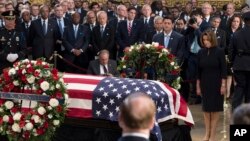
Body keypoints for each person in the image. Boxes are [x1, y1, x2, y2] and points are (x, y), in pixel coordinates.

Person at [196, 30, 227, 141]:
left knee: (214, 111)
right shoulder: (201, 52)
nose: (205, 42)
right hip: (205, 84)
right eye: (204, 40)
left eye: (207, 39)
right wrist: (198, 86)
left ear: (212, 39)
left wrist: (223, 85)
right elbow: (198, 72)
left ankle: (212, 135)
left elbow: (224, 70)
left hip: (217, 84)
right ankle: (207, 134)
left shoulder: (219, 51)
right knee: (206, 110)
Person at [229, 11, 250, 110]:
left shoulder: (236, 34)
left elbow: (231, 51)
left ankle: (236, 111)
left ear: (244, 21)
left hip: (239, 63)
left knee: (239, 88)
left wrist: (233, 63)